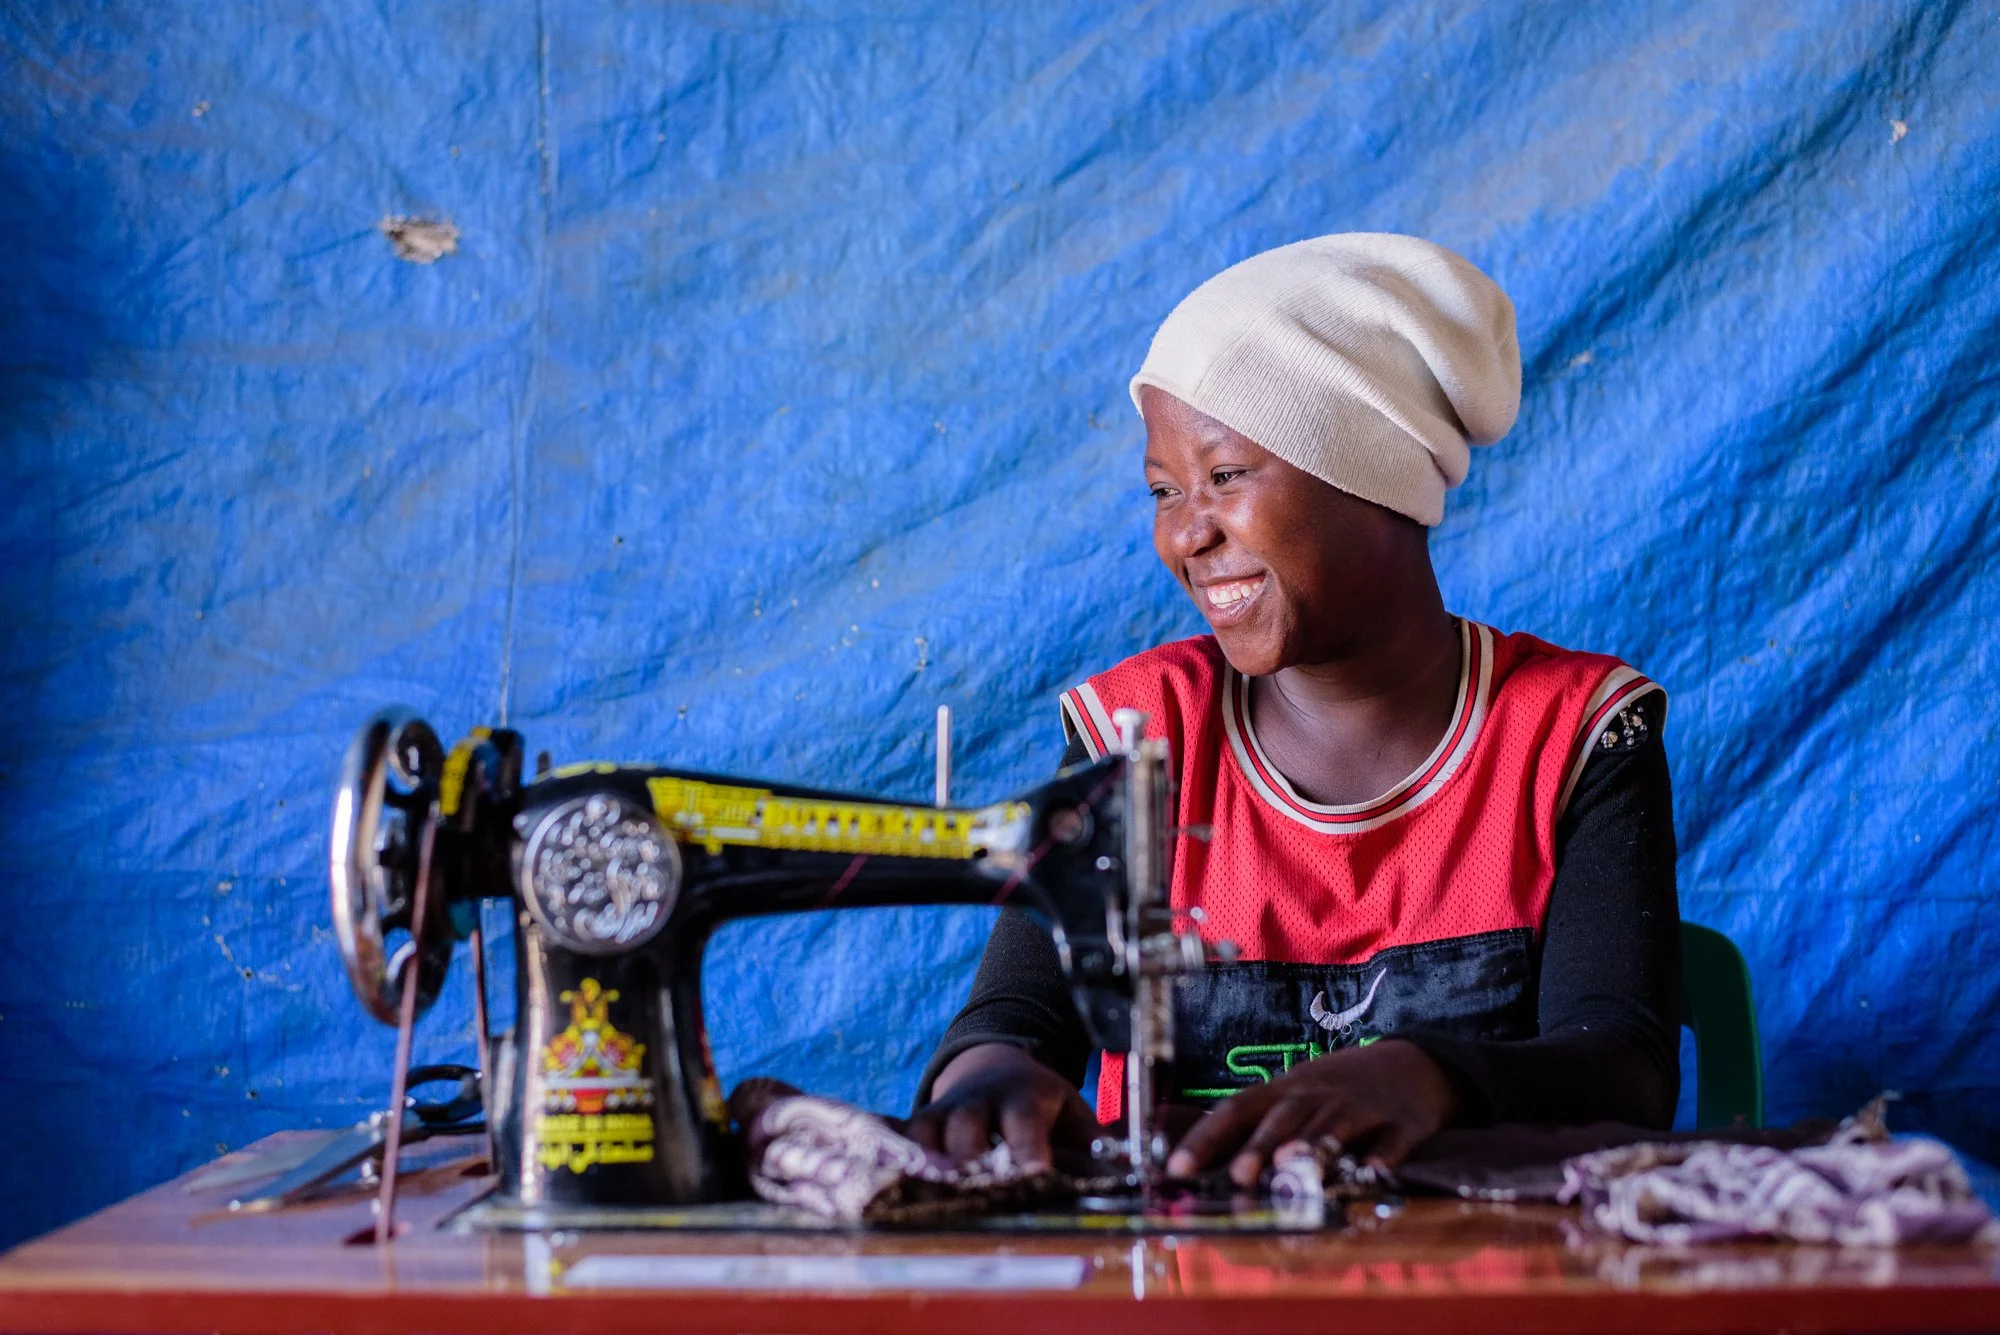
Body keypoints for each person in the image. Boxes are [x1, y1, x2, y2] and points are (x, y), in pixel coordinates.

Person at [905, 233, 1681, 1189]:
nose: (1187, 532)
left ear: (1376, 474)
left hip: (1484, 1302)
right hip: (1188, 1311)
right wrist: (987, 1081)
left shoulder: (1572, 736)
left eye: (1226, 475)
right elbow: (1018, 1017)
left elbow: (1626, 1067)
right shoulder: (1143, 733)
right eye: (1163, 490)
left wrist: (1427, 1076)